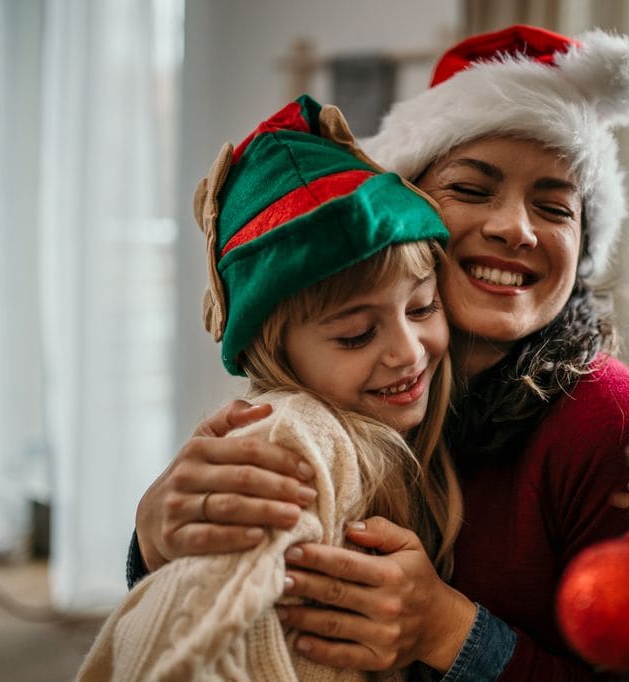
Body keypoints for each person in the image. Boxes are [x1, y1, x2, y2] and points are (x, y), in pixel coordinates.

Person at [129, 25, 629, 680]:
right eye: (471, 189)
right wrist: (156, 541)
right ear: (407, 215)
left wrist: (450, 632)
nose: (514, 228)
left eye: (554, 207)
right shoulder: (344, 401)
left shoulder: (619, 431)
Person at [80, 95, 465, 680]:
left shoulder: (405, 433)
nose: (408, 351)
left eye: (423, 306)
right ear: (274, 351)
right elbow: (172, 639)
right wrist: (152, 544)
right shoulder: (292, 443)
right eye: (357, 334)